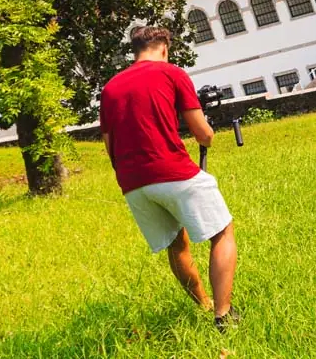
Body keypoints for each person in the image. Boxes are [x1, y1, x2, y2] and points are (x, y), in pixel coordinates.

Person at [99, 26, 239, 331]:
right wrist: (209, 134)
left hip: (133, 184)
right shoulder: (172, 73)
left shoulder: (109, 89)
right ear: (164, 47)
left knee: (176, 245)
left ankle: (204, 303)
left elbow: (109, 146)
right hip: (172, 171)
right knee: (222, 232)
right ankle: (223, 315)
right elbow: (203, 134)